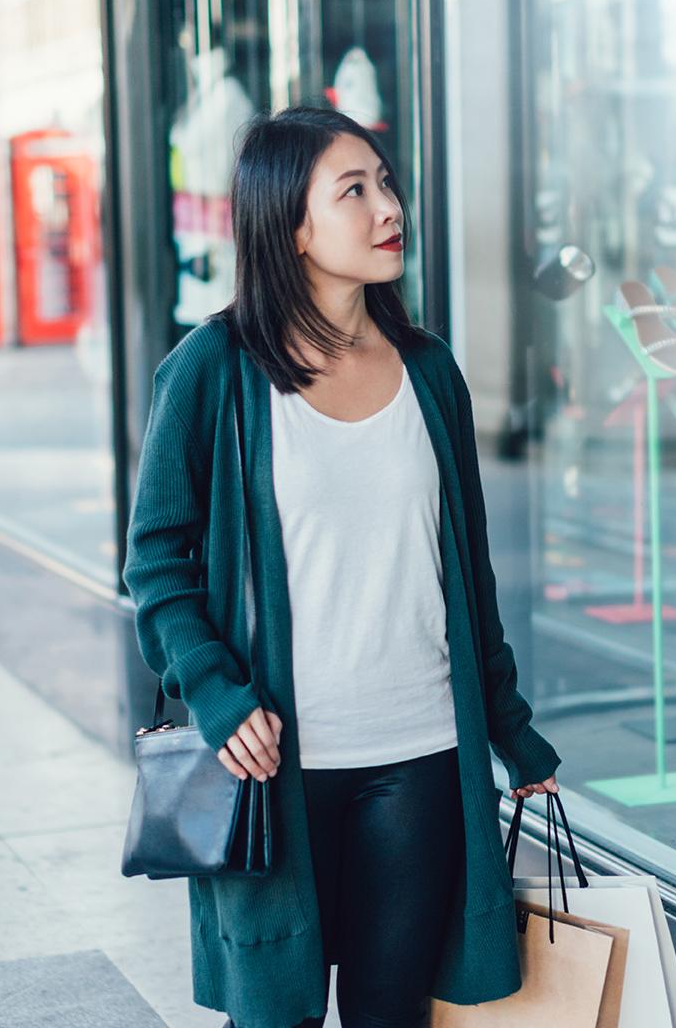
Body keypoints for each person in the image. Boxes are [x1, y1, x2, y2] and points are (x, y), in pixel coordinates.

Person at [123, 105, 563, 1028]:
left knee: (392, 1013)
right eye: (353, 190)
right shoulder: (212, 371)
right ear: (291, 223)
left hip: (420, 755)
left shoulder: (428, 370)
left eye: (386, 183)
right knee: (274, 1016)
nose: (387, 207)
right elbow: (158, 564)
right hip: (274, 763)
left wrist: (513, 732)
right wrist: (215, 691)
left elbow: (466, 576)